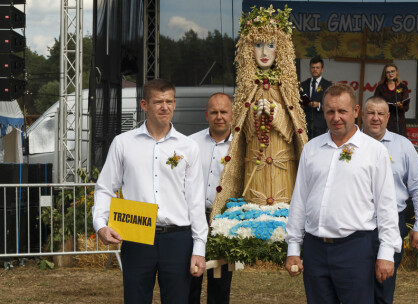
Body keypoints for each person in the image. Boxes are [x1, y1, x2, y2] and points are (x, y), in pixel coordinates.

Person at [92, 78, 208, 304]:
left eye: (169, 101)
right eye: (158, 102)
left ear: (175, 104)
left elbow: (196, 201)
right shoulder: (123, 143)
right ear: (144, 105)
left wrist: (199, 248)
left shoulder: (188, 147)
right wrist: (101, 225)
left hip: (178, 238)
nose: (164, 107)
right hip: (136, 235)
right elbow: (105, 188)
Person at [285, 83, 401, 304]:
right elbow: (299, 201)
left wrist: (386, 252)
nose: (336, 117)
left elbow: (386, 206)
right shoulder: (312, 148)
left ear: (356, 111)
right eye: (330, 111)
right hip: (315, 249)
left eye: (342, 111)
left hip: (355, 249)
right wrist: (293, 246)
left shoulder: (375, 151)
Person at [210, 5, 308, 219]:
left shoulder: (288, 87)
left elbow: (295, 131)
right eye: (258, 45)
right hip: (254, 169)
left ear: (280, 49)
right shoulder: (246, 88)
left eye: (270, 45)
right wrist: (254, 115)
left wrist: (277, 113)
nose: (264, 53)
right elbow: (241, 133)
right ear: (248, 49)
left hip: (284, 171)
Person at [361, 96, 418, 304]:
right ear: (362, 115)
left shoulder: (403, 146)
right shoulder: (351, 145)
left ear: (388, 117)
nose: (375, 118)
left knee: (384, 283)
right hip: (357, 224)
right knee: (357, 284)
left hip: (392, 222)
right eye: (371, 113)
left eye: (380, 114)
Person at [189, 93, 234, 304]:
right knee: (190, 280)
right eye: (214, 112)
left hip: (223, 223)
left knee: (220, 285)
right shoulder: (190, 144)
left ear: (232, 115)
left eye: (224, 112)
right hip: (191, 219)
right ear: (206, 115)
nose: (219, 117)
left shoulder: (240, 147)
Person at [300, 56, 332, 140]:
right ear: (310, 69)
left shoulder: (328, 85)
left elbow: (331, 104)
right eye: (313, 67)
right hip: (305, 124)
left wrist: (319, 105)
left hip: (321, 124)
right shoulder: (303, 85)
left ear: (322, 69)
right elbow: (299, 101)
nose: (315, 70)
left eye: (317, 68)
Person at [373, 63, 409, 138]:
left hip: (399, 120)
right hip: (384, 119)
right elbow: (375, 103)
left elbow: (406, 106)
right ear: (385, 74)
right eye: (388, 72)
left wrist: (400, 105)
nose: (390, 74)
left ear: (397, 72)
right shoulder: (381, 87)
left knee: (400, 142)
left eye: (392, 71)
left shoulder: (403, 87)